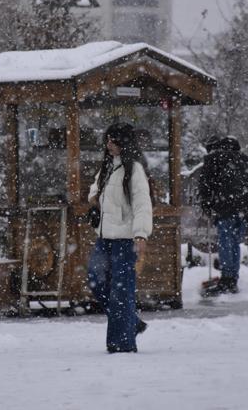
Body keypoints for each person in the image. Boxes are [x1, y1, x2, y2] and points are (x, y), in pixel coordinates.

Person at [87, 122, 153, 354]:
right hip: (104, 236)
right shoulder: (106, 166)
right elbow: (94, 189)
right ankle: (130, 322)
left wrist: (140, 234)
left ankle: (122, 344)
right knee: (95, 279)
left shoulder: (134, 169)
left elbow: (143, 204)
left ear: (123, 143)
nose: (108, 144)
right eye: (107, 140)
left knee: (121, 290)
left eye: (113, 141)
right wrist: (94, 198)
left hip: (125, 238)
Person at [197, 135, 248, 296]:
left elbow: (205, 184)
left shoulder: (215, 159)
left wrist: (207, 204)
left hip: (225, 207)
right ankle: (233, 279)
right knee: (234, 243)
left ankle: (226, 279)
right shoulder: (246, 160)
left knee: (225, 241)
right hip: (244, 209)